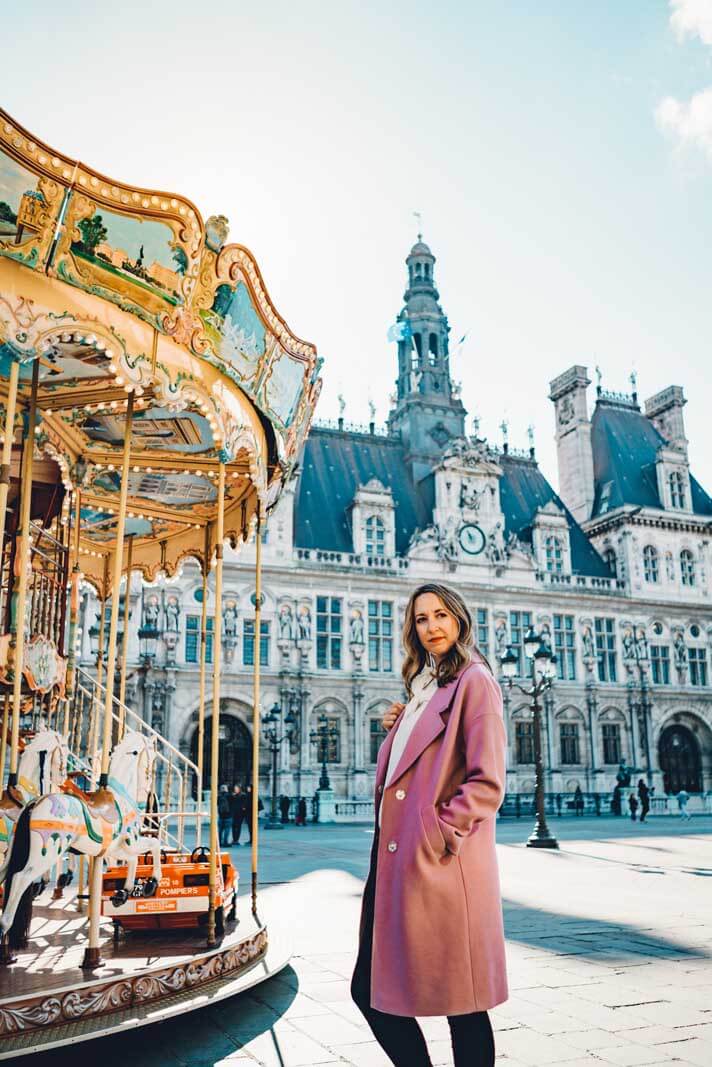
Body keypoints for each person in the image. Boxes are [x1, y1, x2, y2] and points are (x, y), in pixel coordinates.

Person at [350, 582, 507, 1067]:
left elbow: (487, 781)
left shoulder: (474, 681)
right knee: (374, 988)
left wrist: (439, 832)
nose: (432, 626)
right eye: (421, 619)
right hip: (398, 858)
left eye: (441, 615)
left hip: (437, 862)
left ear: (459, 619)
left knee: (464, 1005)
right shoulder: (427, 685)